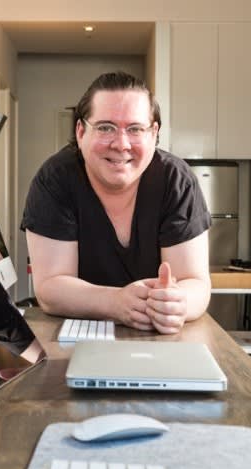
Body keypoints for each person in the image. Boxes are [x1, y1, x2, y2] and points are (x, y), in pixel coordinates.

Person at [21, 71, 211, 334]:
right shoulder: (55, 180)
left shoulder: (176, 181)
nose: (121, 144)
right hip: (75, 339)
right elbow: (50, 288)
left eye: (135, 129)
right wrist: (116, 302)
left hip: (161, 339)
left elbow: (196, 283)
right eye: (105, 127)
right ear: (80, 132)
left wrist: (178, 304)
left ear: (153, 133)